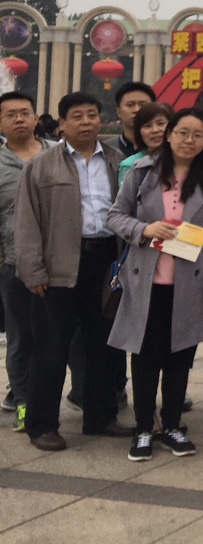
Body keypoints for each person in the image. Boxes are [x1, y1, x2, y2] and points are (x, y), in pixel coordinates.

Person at [107, 108, 203, 461]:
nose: (189, 140)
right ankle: (144, 427)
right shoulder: (143, 173)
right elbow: (115, 215)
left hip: (189, 284)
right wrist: (144, 229)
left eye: (198, 135)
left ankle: (173, 425)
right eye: (182, 132)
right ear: (170, 135)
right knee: (145, 358)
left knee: (180, 356)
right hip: (146, 282)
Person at [13, 92, 132, 450]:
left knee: (103, 345)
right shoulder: (42, 165)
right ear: (62, 124)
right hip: (59, 265)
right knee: (51, 348)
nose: (86, 122)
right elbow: (27, 220)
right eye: (77, 116)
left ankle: (101, 417)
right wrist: (33, 270)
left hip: (104, 262)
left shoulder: (116, 161)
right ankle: (42, 425)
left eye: (92, 115)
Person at [0, 91, 53, 434]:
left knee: (61, 338)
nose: (19, 119)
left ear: (36, 118)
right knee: (21, 338)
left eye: (25, 113)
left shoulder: (59, 155)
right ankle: (23, 402)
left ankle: (76, 397)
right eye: (10, 114)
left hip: (59, 262)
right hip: (14, 262)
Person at [116, 102, 174, 184]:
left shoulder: (184, 160)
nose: (155, 130)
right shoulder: (130, 165)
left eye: (160, 124)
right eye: (147, 126)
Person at [109, 81, 156, 159]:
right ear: (118, 112)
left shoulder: (165, 149)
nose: (137, 110)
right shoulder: (105, 150)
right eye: (130, 105)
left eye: (143, 105)